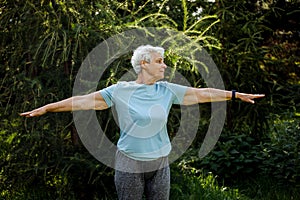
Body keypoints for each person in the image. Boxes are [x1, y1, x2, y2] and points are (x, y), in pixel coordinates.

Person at [20, 45, 265, 200]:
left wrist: (234, 95)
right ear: (144, 64)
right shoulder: (120, 90)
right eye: (160, 61)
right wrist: (47, 108)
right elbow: (82, 101)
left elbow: (201, 94)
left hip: (160, 162)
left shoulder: (167, 89)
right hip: (129, 162)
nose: (165, 65)